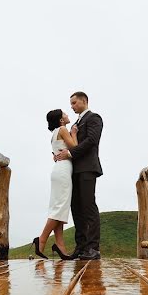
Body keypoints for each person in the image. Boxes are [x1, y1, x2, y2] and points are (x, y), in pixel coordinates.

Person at [53, 91, 103, 260]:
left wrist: (70, 153)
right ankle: (81, 247)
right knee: (76, 209)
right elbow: (69, 144)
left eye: (74, 103)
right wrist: (60, 154)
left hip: (88, 168)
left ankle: (93, 248)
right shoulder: (74, 124)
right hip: (72, 171)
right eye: (71, 104)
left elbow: (91, 141)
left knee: (88, 207)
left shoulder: (94, 118)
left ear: (84, 101)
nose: (72, 106)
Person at [32, 109, 77, 260]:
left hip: (59, 170)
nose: (67, 114)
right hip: (63, 171)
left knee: (59, 208)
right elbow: (74, 148)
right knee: (60, 207)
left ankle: (60, 246)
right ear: (60, 120)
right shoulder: (64, 129)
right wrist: (74, 134)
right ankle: (42, 239)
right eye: (64, 113)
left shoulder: (54, 133)